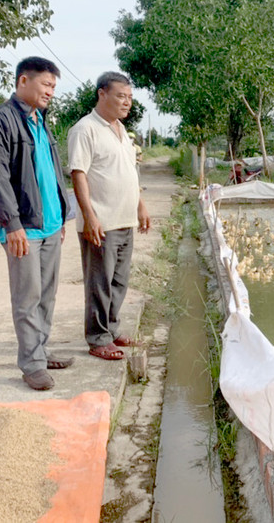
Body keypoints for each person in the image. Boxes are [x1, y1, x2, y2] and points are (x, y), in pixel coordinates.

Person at [0, 56, 74, 391]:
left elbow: (51, 171)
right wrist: (12, 223)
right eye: (46, 84)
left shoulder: (39, 120)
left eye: (53, 87)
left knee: (47, 294)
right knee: (27, 297)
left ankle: (41, 350)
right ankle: (31, 364)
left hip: (48, 224)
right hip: (24, 227)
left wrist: (61, 215)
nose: (50, 91)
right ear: (23, 81)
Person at [68, 72, 151, 361]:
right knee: (99, 283)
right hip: (101, 222)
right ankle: (98, 338)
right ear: (102, 94)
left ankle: (111, 329)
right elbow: (78, 174)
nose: (126, 102)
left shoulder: (121, 132)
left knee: (119, 281)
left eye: (129, 97)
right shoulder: (85, 129)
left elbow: (130, 172)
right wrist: (89, 216)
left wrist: (140, 206)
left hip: (124, 220)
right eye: (120, 96)